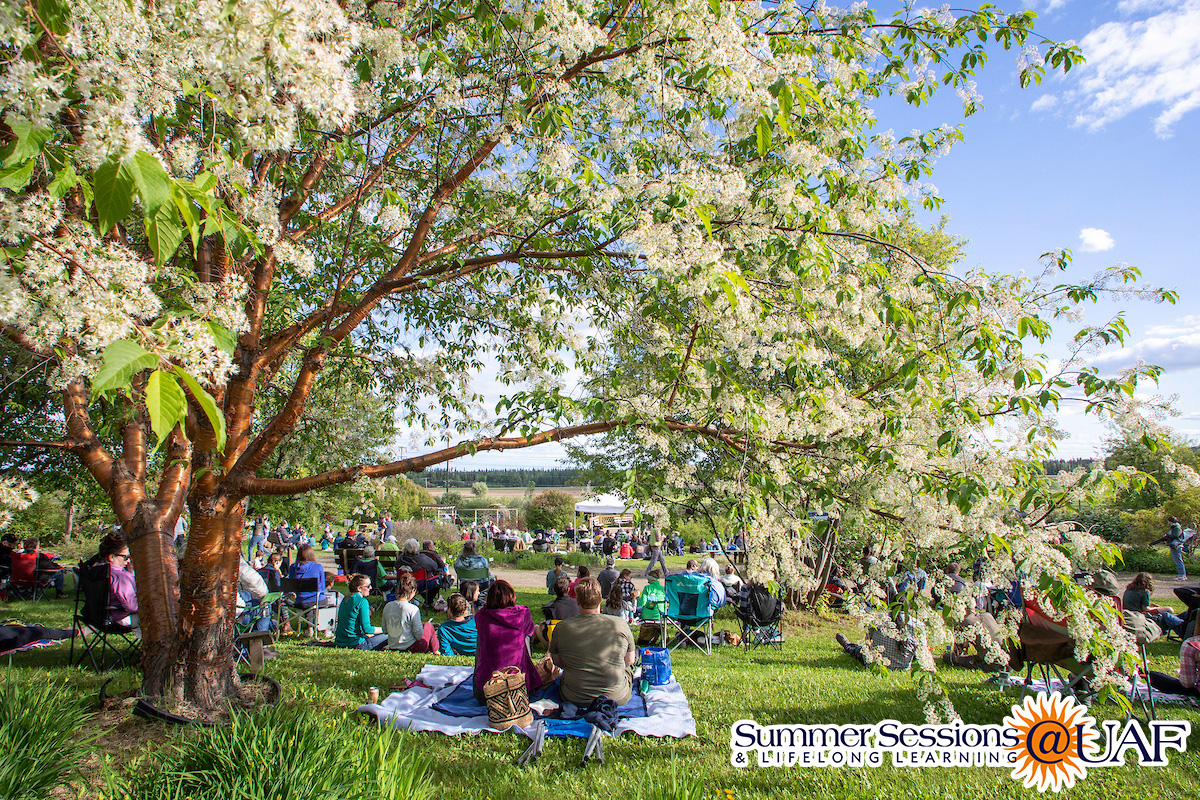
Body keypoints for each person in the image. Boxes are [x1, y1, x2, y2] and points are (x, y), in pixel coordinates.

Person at [550, 577, 637, 707]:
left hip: (574, 696)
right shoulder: (620, 624)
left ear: (577, 600)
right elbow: (629, 660)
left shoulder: (562, 628)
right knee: (630, 667)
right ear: (601, 600)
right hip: (616, 696)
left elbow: (557, 661)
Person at [472, 579, 542, 704]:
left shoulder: (481, 616)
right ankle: (524, 675)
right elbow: (530, 630)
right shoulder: (522, 615)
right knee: (524, 637)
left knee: (483, 639)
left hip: (487, 692)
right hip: (518, 691)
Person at [382, 573, 439, 652]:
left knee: (424, 625)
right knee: (428, 625)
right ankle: (436, 650)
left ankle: (433, 649)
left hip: (393, 646)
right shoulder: (413, 609)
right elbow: (419, 636)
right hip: (410, 647)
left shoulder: (387, 606)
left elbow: (385, 630)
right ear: (412, 591)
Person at [1123, 572, 1186, 638]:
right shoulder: (1144, 591)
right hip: (1139, 614)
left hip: (1127, 612)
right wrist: (1158, 609)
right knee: (1169, 610)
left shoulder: (1129, 589)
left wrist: (1151, 605)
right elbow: (1145, 609)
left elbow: (1135, 602)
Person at [336, 574, 388, 650]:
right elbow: (367, 629)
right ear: (359, 588)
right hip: (357, 644)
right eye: (368, 586)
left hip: (340, 642)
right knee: (390, 635)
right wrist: (386, 629)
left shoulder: (346, 598)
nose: (371, 588)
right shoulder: (362, 601)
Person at [99, 534, 138, 628]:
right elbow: (132, 606)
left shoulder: (97, 570)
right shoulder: (119, 576)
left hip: (98, 618)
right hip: (119, 619)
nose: (128, 561)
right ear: (111, 557)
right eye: (125, 557)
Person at [288, 544, 335, 617]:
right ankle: (320, 626)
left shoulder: (292, 568)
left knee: (309, 604)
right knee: (320, 600)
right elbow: (322, 587)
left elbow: (291, 585)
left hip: (300, 601)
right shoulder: (318, 567)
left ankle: (310, 626)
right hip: (316, 599)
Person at [399, 537, 443, 605]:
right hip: (420, 584)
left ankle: (428, 600)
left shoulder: (400, 558)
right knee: (438, 580)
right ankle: (429, 601)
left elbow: (396, 566)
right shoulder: (421, 558)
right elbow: (434, 566)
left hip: (404, 584)